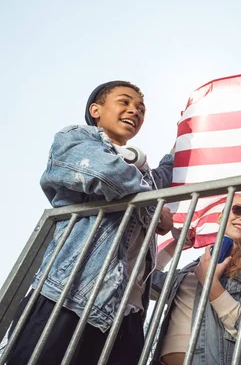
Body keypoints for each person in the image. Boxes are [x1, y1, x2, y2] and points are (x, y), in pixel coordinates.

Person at [6, 81, 175, 364]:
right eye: (125, 102)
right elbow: (107, 174)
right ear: (95, 110)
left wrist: (185, 137)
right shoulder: (76, 137)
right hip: (69, 296)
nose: (134, 111)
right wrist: (155, 207)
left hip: (127, 314)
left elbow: (167, 173)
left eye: (141, 109)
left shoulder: (144, 178)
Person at [151, 194, 241, 365]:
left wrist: (212, 286)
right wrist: (177, 243)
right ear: (220, 217)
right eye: (238, 210)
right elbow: (148, 277)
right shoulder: (190, 269)